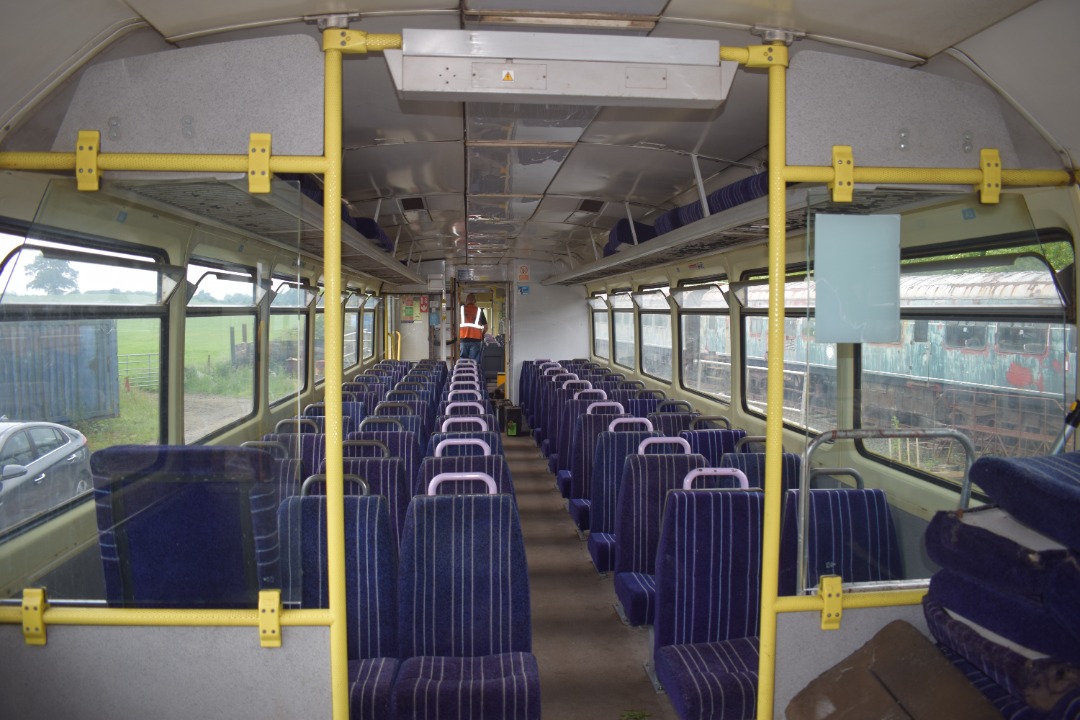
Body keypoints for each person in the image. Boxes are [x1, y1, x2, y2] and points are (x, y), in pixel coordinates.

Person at [458, 292, 487, 362]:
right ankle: (472, 372)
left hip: (463, 340)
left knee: (463, 360)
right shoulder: (479, 311)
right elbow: (486, 327)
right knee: (473, 362)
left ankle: (462, 372)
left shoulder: (461, 310)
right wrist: (482, 335)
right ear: (475, 301)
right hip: (476, 340)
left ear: (466, 301)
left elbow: (455, 324)